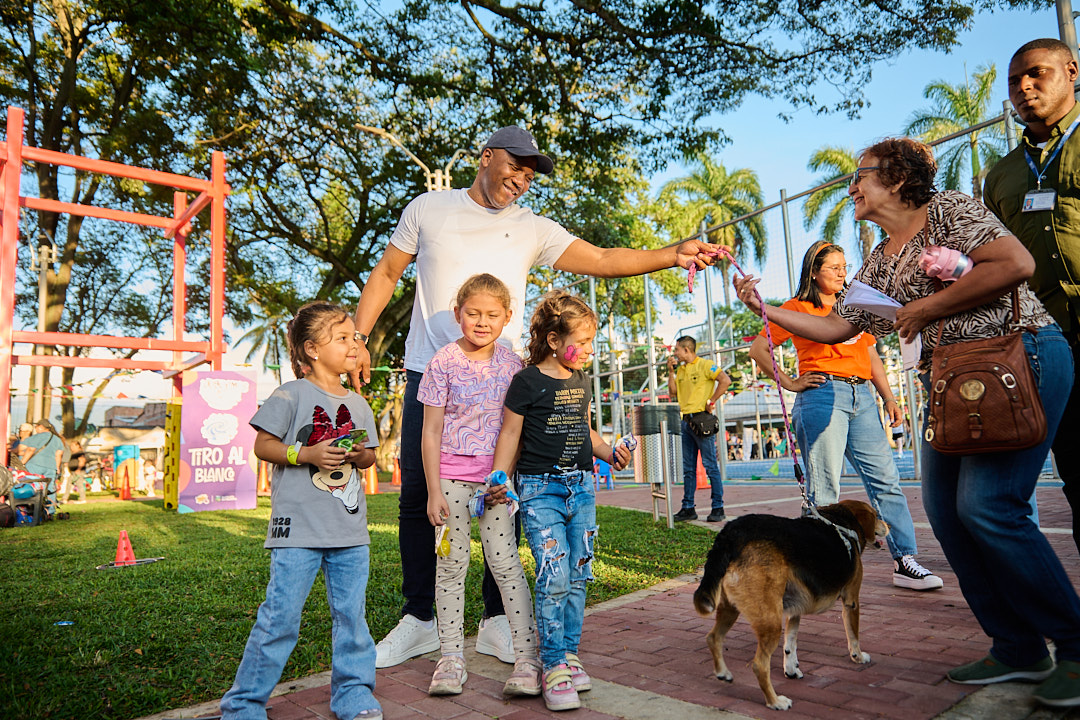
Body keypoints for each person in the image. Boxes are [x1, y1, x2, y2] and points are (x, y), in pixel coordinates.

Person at [349, 125, 723, 668]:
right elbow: (386, 272)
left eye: (530, 174)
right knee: (415, 500)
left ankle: (496, 617)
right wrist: (359, 338)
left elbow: (601, 258)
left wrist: (672, 254)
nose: (521, 180)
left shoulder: (532, 228)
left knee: (506, 492)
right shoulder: (428, 209)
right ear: (485, 157)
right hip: (430, 375)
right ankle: (420, 619)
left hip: (501, 383)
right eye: (515, 167)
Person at [734, 137, 1080, 708]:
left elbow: (1017, 264)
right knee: (946, 512)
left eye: (859, 176)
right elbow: (837, 328)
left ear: (895, 179)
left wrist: (925, 307)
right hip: (955, 384)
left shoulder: (950, 210)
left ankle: (1073, 645)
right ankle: (1017, 646)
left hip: (1019, 360)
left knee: (990, 507)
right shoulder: (879, 258)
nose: (851, 188)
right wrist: (765, 311)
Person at [748, 240, 942, 591]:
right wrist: (791, 383)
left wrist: (889, 398)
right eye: (833, 267)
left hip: (862, 397)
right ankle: (821, 566)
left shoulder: (854, 305)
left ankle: (905, 560)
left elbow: (872, 356)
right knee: (823, 488)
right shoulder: (796, 308)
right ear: (814, 272)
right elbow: (758, 348)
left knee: (887, 480)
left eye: (844, 265)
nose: (842, 272)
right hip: (822, 395)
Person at [220, 301, 382, 720]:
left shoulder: (358, 403)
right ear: (312, 349)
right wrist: (306, 453)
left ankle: (354, 695)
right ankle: (243, 705)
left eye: (354, 338)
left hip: (349, 533)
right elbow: (263, 446)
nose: (353, 345)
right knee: (280, 620)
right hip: (296, 533)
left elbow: (367, 462)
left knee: (352, 620)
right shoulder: (290, 394)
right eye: (342, 338)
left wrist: (360, 454)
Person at [488, 290, 631, 711]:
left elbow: (583, 431)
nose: (588, 351)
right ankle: (551, 665)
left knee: (580, 570)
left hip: (581, 487)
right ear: (553, 340)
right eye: (582, 342)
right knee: (554, 573)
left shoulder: (580, 381)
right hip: (539, 489)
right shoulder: (527, 381)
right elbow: (510, 434)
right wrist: (499, 475)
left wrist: (609, 453)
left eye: (591, 343)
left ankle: (568, 652)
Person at [417, 274, 541, 698]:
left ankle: (527, 658)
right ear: (458, 315)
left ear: (507, 318)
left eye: (492, 314)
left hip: (496, 487)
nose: (481, 322)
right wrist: (433, 490)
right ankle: (451, 657)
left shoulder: (514, 366)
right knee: (451, 567)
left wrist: (503, 479)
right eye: (472, 313)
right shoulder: (442, 362)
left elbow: (519, 431)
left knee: (506, 565)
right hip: (450, 480)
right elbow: (430, 431)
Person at [984, 38, 1080, 556]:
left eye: (1037, 74)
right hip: (1053, 346)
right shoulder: (1000, 175)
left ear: (1071, 70)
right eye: (1015, 79)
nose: (1024, 87)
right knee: (1077, 479)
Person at [666, 336, 731, 522]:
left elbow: (724, 380)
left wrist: (712, 401)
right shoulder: (681, 370)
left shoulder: (705, 365)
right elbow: (672, 393)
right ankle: (688, 507)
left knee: (710, 466)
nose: (675, 353)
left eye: (677, 349)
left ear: (686, 350)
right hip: (685, 422)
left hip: (702, 420)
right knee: (688, 468)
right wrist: (670, 371)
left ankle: (718, 507)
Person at [18, 419, 67, 513]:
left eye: (36, 427)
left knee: (33, 485)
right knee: (50, 488)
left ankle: (32, 509)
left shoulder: (37, 437)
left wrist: (22, 463)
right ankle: (50, 510)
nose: (35, 429)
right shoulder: (57, 439)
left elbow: (30, 450)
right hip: (51, 467)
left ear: (41, 427)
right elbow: (59, 455)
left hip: (35, 464)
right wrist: (57, 468)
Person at [62, 440, 88, 504]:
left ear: (78, 446)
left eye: (73, 446)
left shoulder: (80, 453)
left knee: (79, 484)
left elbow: (82, 461)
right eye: (71, 446)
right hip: (73, 471)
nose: (71, 447)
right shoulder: (73, 454)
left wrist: (78, 469)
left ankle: (83, 499)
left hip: (78, 471)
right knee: (69, 484)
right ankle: (65, 498)